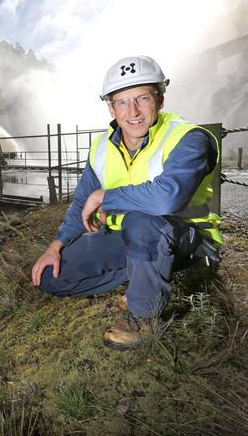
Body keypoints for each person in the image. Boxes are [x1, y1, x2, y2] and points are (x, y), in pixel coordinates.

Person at [30, 55, 221, 350]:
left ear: (160, 99)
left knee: (140, 219)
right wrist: (55, 246)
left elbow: (167, 197)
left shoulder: (188, 138)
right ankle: (146, 283)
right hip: (129, 238)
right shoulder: (102, 147)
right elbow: (82, 201)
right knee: (50, 278)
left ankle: (144, 315)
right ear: (111, 107)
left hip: (186, 238)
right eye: (122, 102)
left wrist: (107, 197)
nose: (133, 111)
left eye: (142, 98)